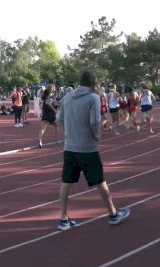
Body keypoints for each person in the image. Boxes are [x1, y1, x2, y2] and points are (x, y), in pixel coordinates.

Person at [57, 71, 130, 231]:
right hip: (88, 147)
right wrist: (97, 137)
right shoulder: (93, 98)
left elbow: (59, 119)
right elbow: (95, 122)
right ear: (93, 83)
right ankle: (113, 214)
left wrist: (69, 134)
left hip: (70, 146)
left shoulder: (67, 97)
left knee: (66, 182)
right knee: (100, 181)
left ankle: (63, 218)